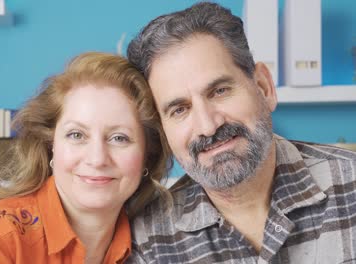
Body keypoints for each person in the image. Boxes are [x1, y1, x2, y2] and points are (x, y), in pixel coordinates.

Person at [125, 2, 356, 263]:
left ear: (263, 87)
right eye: (179, 109)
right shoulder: (148, 240)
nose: (208, 126)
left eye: (220, 91)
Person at [0, 52, 172, 264]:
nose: (97, 159)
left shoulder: (159, 240)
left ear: (147, 156)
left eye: (119, 138)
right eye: (76, 135)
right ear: (50, 144)